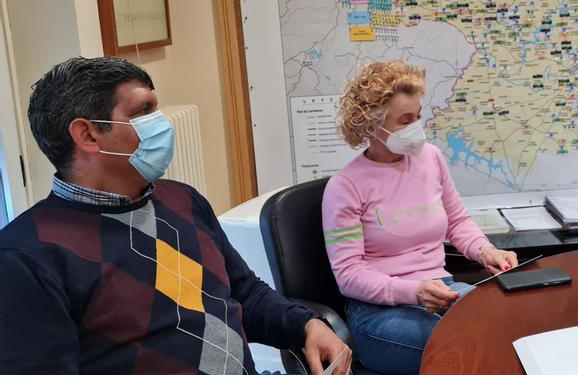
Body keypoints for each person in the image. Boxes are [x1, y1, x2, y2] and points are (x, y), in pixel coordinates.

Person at [0, 57, 351, 375]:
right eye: (143, 111)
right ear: (88, 134)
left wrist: (308, 325)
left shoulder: (183, 200)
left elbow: (245, 293)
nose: (161, 123)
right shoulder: (27, 257)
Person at [322, 60, 518, 375]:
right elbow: (348, 275)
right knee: (468, 346)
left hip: (442, 289)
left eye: (418, 116)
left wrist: (485, 250)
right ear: (372, 124)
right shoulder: (344, 187)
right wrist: (412, 291)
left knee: (511, 326)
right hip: (378, 311)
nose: (417, 128)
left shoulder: (431, 159)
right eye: (405, 120)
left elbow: (457, 222)